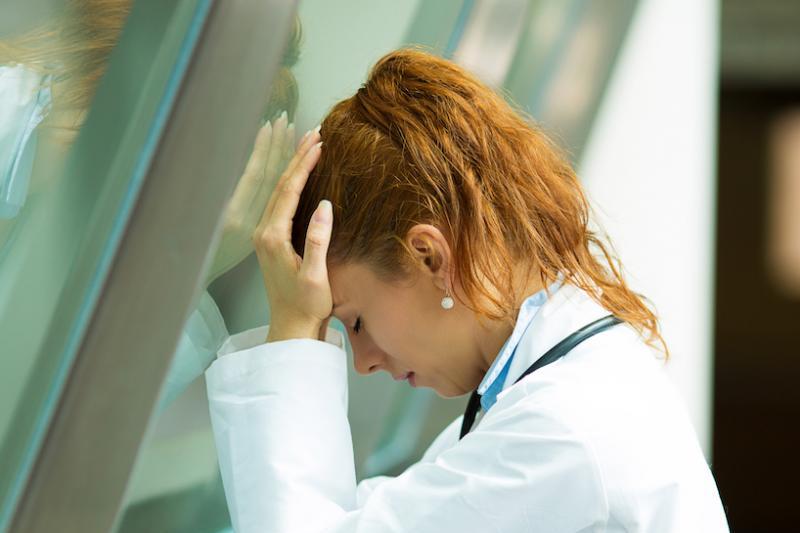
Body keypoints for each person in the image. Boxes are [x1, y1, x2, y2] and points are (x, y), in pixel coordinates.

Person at [204, 48, 730, 532]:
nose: (362, 362)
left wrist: (294, 326)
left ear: (430, 256)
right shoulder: (555, 400)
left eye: (355, 320)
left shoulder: (562, 435)